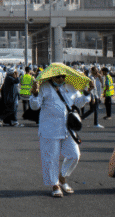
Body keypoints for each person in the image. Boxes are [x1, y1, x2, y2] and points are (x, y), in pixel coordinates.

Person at [30, 65, 93, 198]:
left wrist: (87, 92)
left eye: (63, 76)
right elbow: (35, 106)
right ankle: (55, 185)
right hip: (49, 129)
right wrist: (35, 94)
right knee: (51, 158)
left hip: (67, 128)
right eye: (58, 76)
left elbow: (79, 102)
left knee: (75, 154)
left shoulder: (70, 86)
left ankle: (62, 176)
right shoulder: (44, 87)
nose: (61, 79)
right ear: (51, 76)